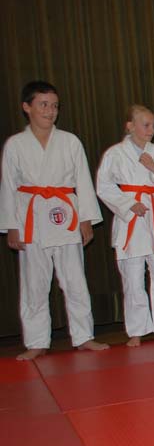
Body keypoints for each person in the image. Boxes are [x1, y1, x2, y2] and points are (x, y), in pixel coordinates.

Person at [0, 80, 108, 359]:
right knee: (34, 284)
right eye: (43, 105)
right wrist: (11, 226)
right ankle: (36, 341)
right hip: (31, 218)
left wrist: (86, 218)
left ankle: (84, 336)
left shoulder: (70, 141)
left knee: (75, 281)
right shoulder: (15, 145)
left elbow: (83, 181)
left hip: (66, 216)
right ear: (27, 107)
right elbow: (8, 187)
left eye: (55, 106)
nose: (50, 111)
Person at [96, 104, 154, 346]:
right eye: (146, 125)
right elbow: (104, 186)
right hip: (131, 219)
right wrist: (127, 204)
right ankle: (136, 329)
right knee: (133, 278)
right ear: (130, 126)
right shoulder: (115, 154)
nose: (151, 130)